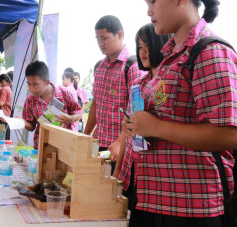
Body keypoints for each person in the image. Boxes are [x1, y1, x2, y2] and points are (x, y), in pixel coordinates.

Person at [123, 0, 237, 227]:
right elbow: (164, 114)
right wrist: (137, 125)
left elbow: (230, 134)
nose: (149, 10)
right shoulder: (170, 60)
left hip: (192, 211)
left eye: (153, 0)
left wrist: (156, 127)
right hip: (154, 201)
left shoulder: (209, 51)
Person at [113, 23, 172, 210]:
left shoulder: (169, 82)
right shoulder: (138, 85)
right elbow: (127, 134)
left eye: (148, 45)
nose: (143, 51)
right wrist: (116, 173)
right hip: (130, 168)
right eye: (139, 47)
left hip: (156, 175)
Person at [84, 15, 144, 172]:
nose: (100, 44)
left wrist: (119, 142)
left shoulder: (132, 66)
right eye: (97, 39)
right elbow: (95, 105)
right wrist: (85, 136)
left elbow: (135, 112)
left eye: (104, 38)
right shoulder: (99, 67)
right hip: (98, 143)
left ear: (120, 35)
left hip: (119, 148)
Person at [23, 61, 82, 149]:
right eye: (29, 84)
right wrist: (22, 122)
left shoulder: (64, 93)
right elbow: (31, 126)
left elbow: (79, 113)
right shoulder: (30, 100)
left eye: (35, 84)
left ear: (47, 82)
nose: (32, 89)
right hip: (42, 145)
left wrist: (70, 118)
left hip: (65, 145)